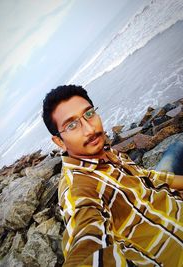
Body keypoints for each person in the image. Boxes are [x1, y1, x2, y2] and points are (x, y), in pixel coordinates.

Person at [42, 85, 183, 267]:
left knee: (177, 146)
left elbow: (147, 176)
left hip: (169, 201)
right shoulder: (77, 191)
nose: (89, 130)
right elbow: (85, 243)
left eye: (89, 114)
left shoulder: (107, 152)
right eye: (72, 125)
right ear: (59, 141)